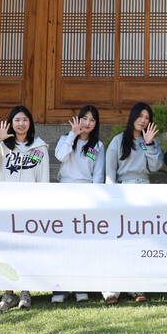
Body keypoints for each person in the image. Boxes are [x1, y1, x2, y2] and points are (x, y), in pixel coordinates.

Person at [0, 105, 50, 312]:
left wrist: (41, 206)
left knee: (25, 248)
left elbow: (43, 179)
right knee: (7, 248)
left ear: (30, 123)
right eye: (17, 120)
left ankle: (25, 292)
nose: (21, 124)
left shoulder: (40, 147)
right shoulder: (3, 146)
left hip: (29, 207)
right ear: (11, 123)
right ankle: (8, 293)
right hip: (6, 205)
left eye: (25, 120)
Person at [102, 102, 163, 304]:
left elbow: (155, 166)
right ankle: (111, 290)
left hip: (143, 190)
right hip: (122, 191)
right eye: (140, 116)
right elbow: (110, 170)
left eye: (147, 118)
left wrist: (150, 144)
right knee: (117, 240)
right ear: (133, 117)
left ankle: (137, 287)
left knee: (139, 240)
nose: (143, 120)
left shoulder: (149, 141)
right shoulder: (119, 140)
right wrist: (112, 196)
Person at [54, 104, 105, 303]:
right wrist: (72, 135)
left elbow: (98, 174)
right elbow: (61, 156)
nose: (88, 123)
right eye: (85, 118)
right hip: (65, 193)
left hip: (87, 195)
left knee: (82, 243)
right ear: (78, 119)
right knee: (63, 241)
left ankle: (80, 286)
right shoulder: (65, 139)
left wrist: (96, 199)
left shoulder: (97, 146)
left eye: (92, 120)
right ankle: (60, 289)